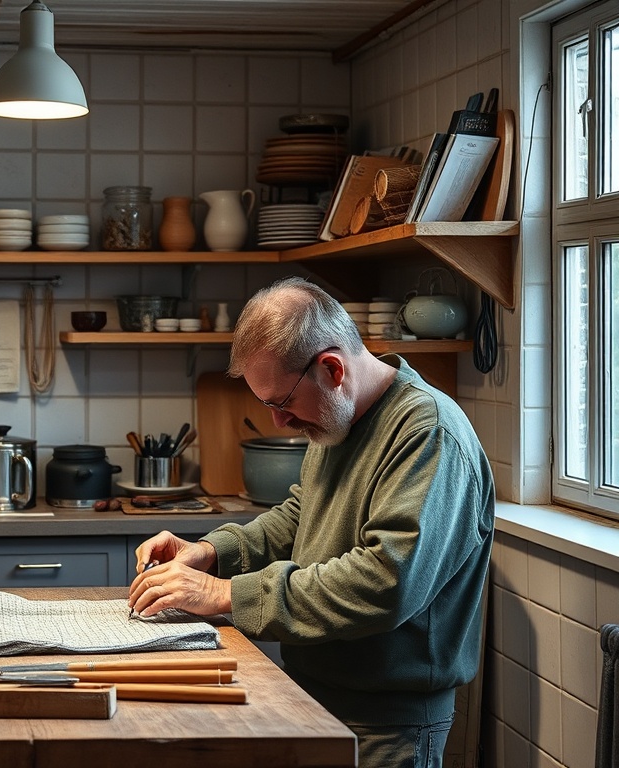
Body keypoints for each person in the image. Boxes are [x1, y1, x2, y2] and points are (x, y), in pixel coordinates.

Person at [128, 276, 495, 768]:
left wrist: (226, 595)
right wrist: (212, 552)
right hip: (315, 696)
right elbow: (301, 517)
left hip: (387, 724)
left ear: (332, 368)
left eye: (282, 403)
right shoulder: (339, 418)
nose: (279, 422)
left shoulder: (429, 434)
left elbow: (386, 582)